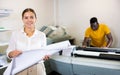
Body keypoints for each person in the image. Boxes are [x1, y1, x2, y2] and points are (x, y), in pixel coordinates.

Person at [6, 8, 49, 75]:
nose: (29, 20)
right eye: (26, 18)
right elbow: (9, 52)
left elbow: (44, 52)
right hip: (20, 68)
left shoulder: (42, 35)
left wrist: (45, 56)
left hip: (37, 68)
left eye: (31, 17)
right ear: (22, 19)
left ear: (35, 19)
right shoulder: (15, 34)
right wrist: (11, 53)